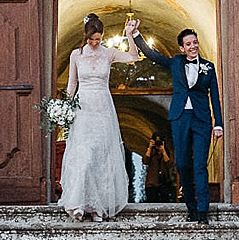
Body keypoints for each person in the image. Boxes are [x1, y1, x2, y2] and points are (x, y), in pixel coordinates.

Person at [128, 20, 223, 223]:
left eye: (195, 42)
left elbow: (214, 96)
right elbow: (153, 55)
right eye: (188, 44)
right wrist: (136, 35)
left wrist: (218, 124)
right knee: (182, 164)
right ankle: (191, 208)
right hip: (180, 118)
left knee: (199, 165)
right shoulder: (176, 62)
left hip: (202, 120)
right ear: (182, 47)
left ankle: (203, 211)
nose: (193, 46)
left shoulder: (208, 67)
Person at [57, 13, 137, 221]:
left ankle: (98, 207)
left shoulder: (108, 53)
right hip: (83, 107)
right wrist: (66, 107)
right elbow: (72, 83)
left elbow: (133, 57)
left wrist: (130, 35)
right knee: (83, 155)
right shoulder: (77, 54)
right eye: (91, 39)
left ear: (102, 37)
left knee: (102, 156)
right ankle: (79, 202)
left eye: (98, 39)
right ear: (86, 37)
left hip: (102, 107)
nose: (94, 43)